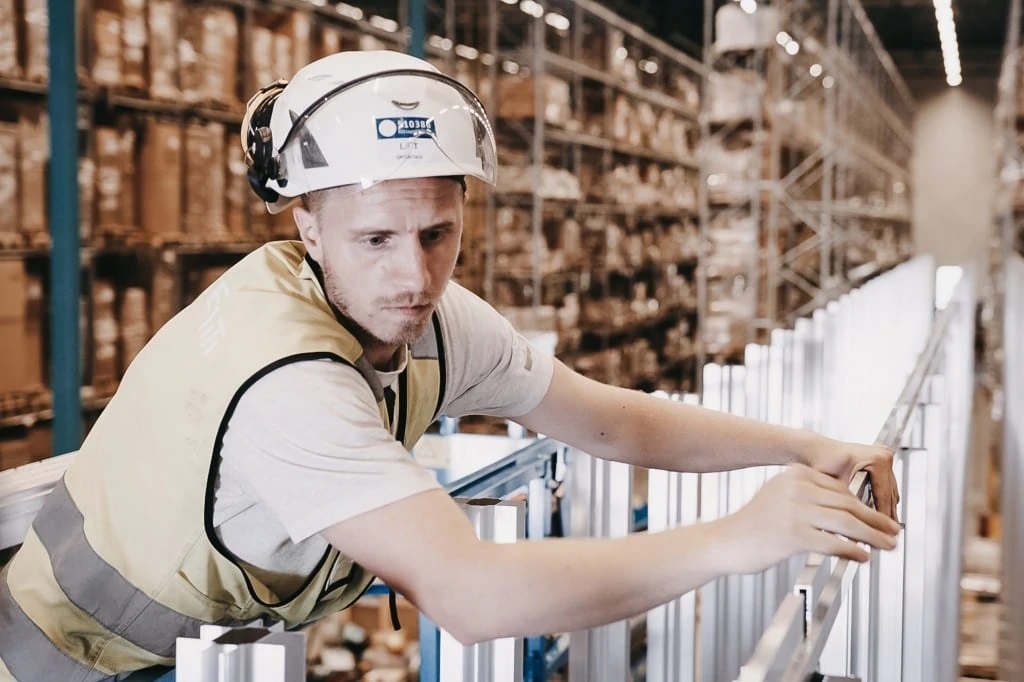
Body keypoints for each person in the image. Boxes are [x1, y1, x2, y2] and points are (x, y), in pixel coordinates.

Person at [0, 50, 900, 680]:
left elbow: (611, 418)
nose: (414, 275)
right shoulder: (285, 384)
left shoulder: (430, 317)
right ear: (305, 226)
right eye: (376, 238)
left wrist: (805, 447)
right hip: (67, 664)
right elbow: (471, 595)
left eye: (438, 234)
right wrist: (735, 540)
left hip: (203, 654)